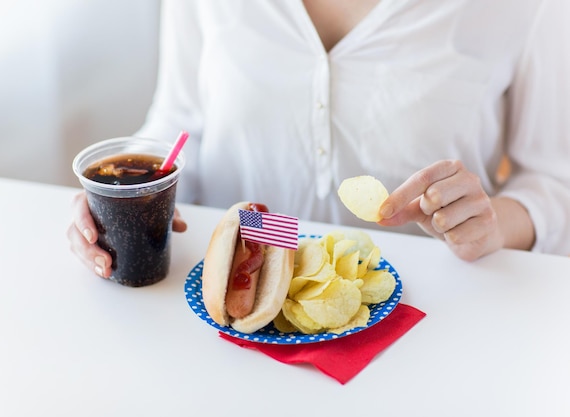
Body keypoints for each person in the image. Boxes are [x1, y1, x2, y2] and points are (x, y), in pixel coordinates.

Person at [68, 0, 570, 278]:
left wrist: (494, 228)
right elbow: (180, 125)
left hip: (425, 321)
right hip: (231, 305)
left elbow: (553, 182)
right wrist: (123, 198)